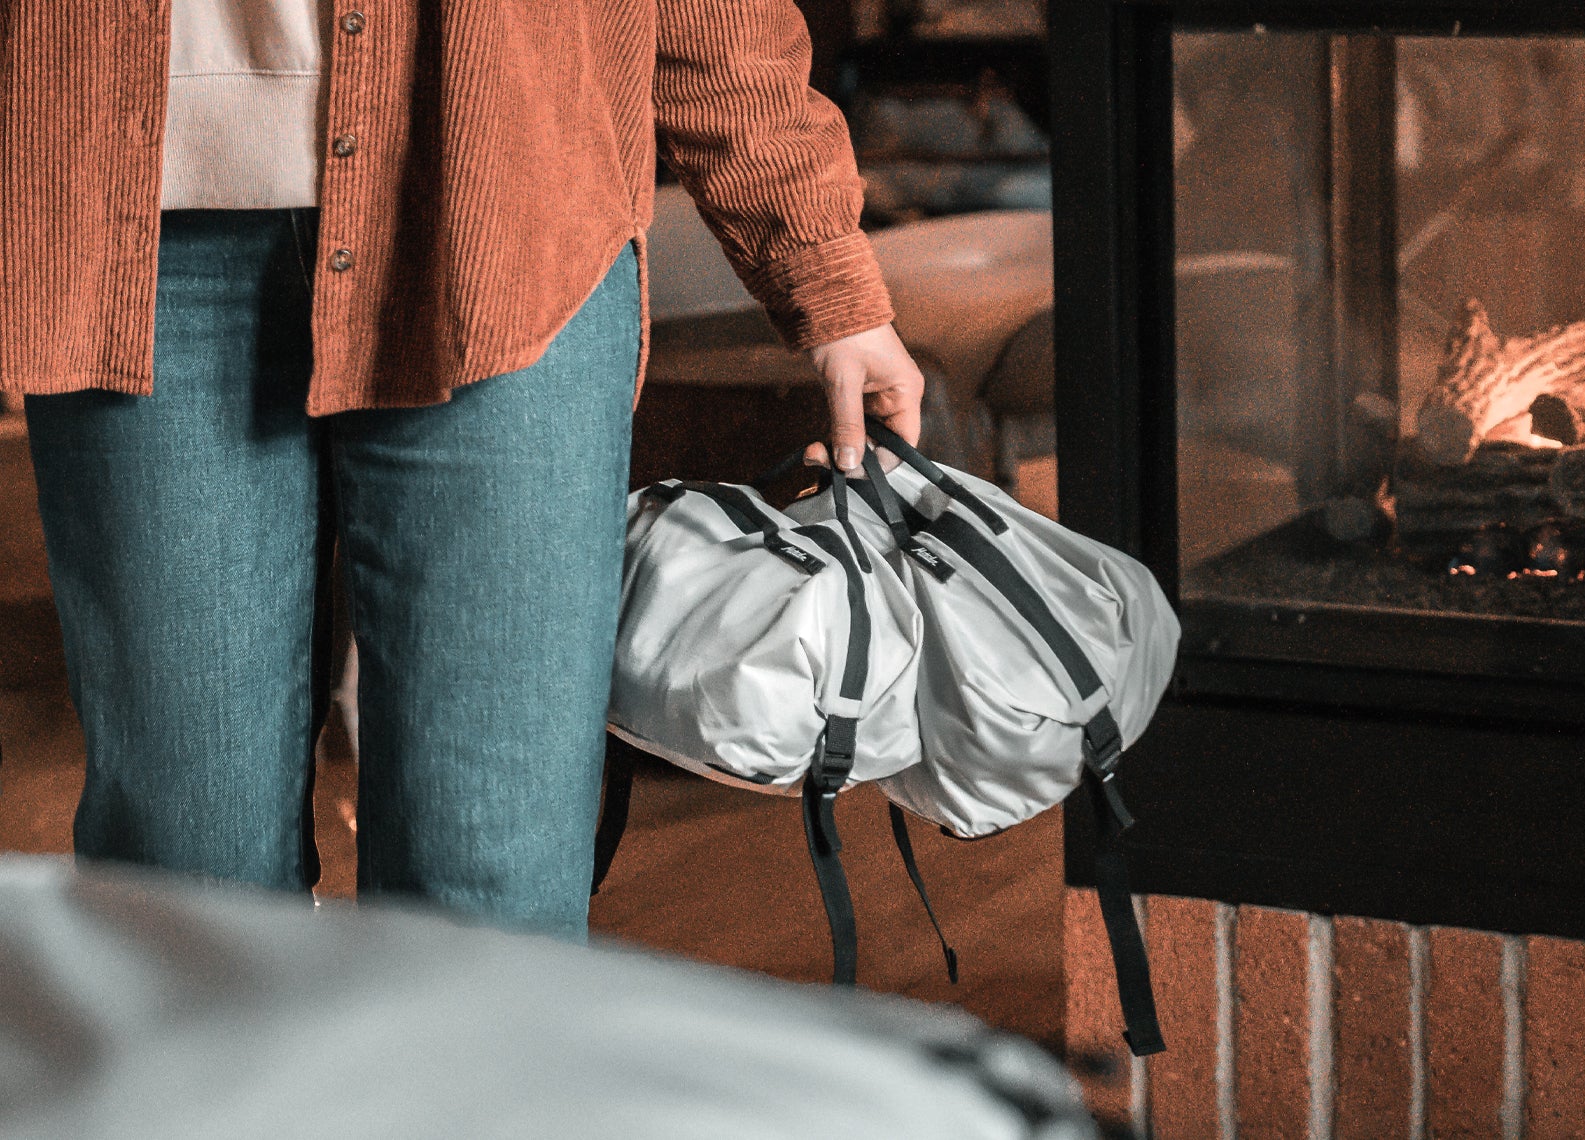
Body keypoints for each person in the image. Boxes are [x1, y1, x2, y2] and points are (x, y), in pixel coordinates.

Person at [0, 0, 925, 938]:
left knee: (490, 871)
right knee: (182, 880)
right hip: (126, 223)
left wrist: (821, 265)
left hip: (506, 218)